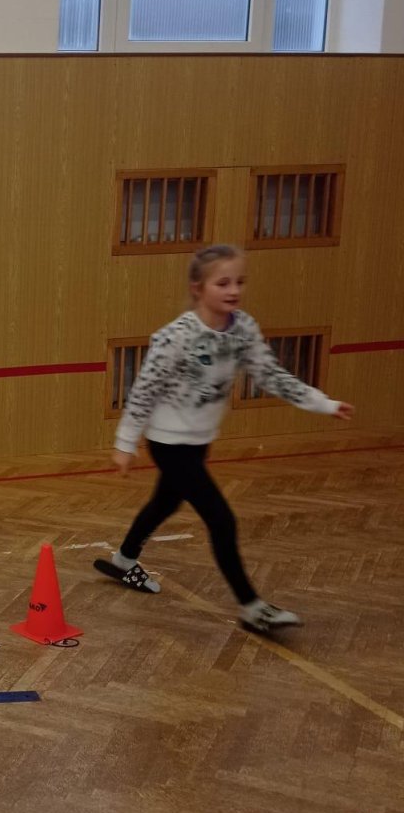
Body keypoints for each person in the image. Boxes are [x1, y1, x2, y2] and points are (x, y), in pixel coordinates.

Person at [103, 243, 353, 632]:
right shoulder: (176, 336)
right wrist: (125, 442)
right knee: (221, 520)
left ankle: (124, 559)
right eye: (222, 283)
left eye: (239, 281)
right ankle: (251, 606)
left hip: (200, 441)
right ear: (198, 288)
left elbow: (271, 375)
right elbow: (145, 389)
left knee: (166, 502)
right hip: (168, 442)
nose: (233, 290)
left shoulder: (243, 330)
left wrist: (323, 403)